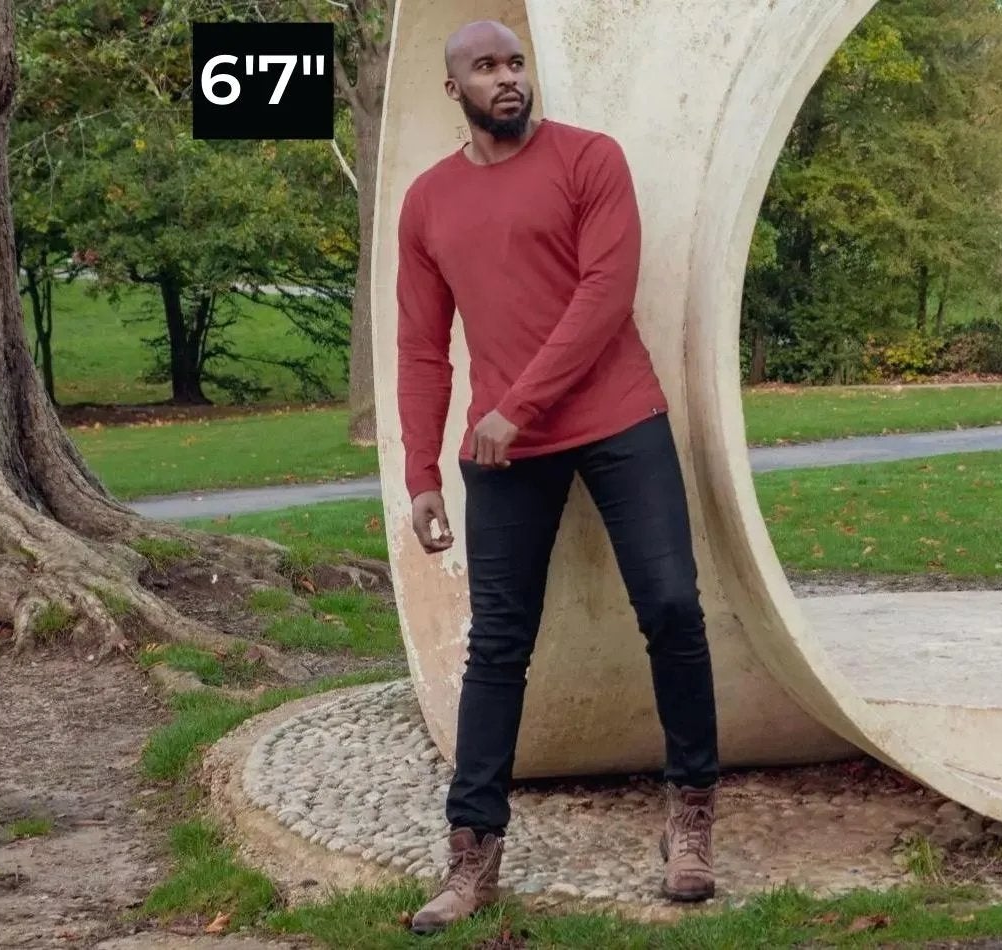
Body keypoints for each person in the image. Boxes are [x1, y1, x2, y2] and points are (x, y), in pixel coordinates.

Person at [391, 19, 719, 934]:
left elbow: (603, 295)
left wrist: (518, 405)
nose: (507, 78)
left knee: (671, 607)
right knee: (496, 645)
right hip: (503, 453)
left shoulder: (589, 161)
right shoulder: (428, 203)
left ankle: (691, 816)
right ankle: (471, 856)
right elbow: (422, 348)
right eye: (485, 68)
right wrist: (422, 470)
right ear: (452, 89)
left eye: (513, 63)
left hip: (619, 418)